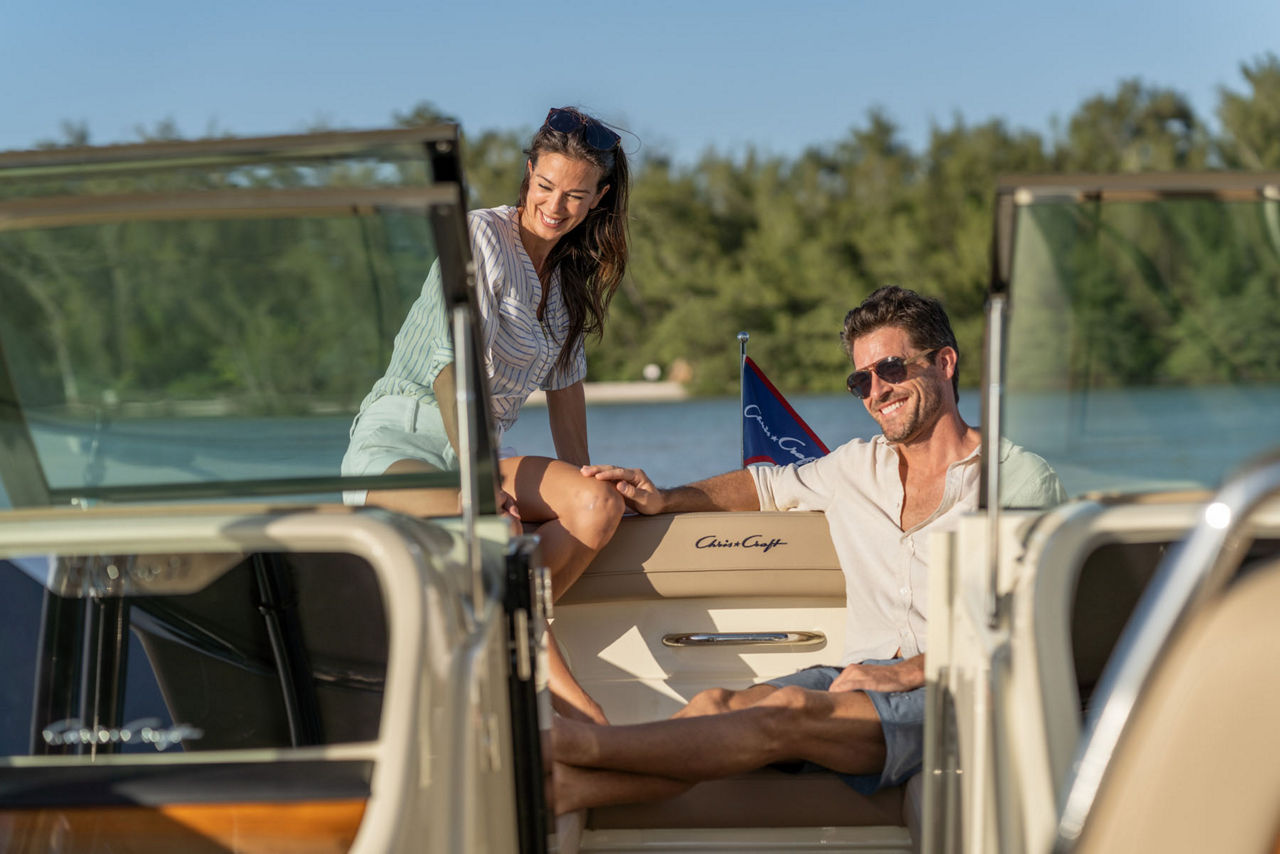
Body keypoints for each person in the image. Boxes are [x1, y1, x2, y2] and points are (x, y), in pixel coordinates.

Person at [554, 285, 1066, 811]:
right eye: (860, 380)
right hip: (859, 676)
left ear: (945, 362)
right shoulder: (855, 467)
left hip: (958, 693)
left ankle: (576, 745)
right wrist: (665, 498)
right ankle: (570, 788)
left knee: (790, 710)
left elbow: (1029, 627)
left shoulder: (1017, 480)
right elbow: (765, 485)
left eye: (890, 369)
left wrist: (904, 672)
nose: (876, 392)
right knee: (716, 703)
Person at [342, 107, 631, 723]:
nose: (556, 206)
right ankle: (579, 709)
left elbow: (567, 391)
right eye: (546, 186)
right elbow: (451, 368)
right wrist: (477, 477)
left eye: (576, 196)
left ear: (598, 199)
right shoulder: (479, 237)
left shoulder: (570, 279)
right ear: (528, 174)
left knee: (599, 505)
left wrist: (580, 477)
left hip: (478, 450)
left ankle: (496, 626)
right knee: (497, 534)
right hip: (407, 437)